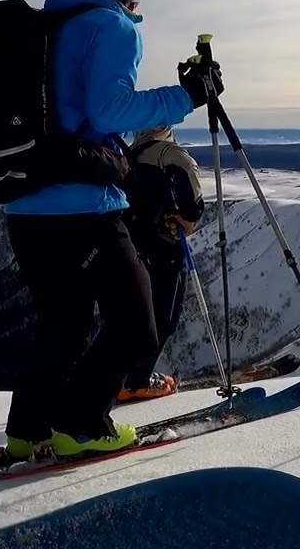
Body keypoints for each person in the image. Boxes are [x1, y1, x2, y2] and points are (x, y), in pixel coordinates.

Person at [1, 0, 223, 459]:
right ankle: (80, 425)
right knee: (137, 325)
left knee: (65, 323)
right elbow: (109, 111)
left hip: (24, 205)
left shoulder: (48, 29)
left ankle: (27, 431)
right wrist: (187, 95)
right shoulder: (113, 26)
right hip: (83, 207)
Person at [117, 123, 205, 403]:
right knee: (163, 316)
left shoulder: (127, 154)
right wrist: (189, 216)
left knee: (132, 313)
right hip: (164, 247)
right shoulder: (167, 153)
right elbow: (190, 183)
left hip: (130, 245)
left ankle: (118, 377)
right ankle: (135, 381)